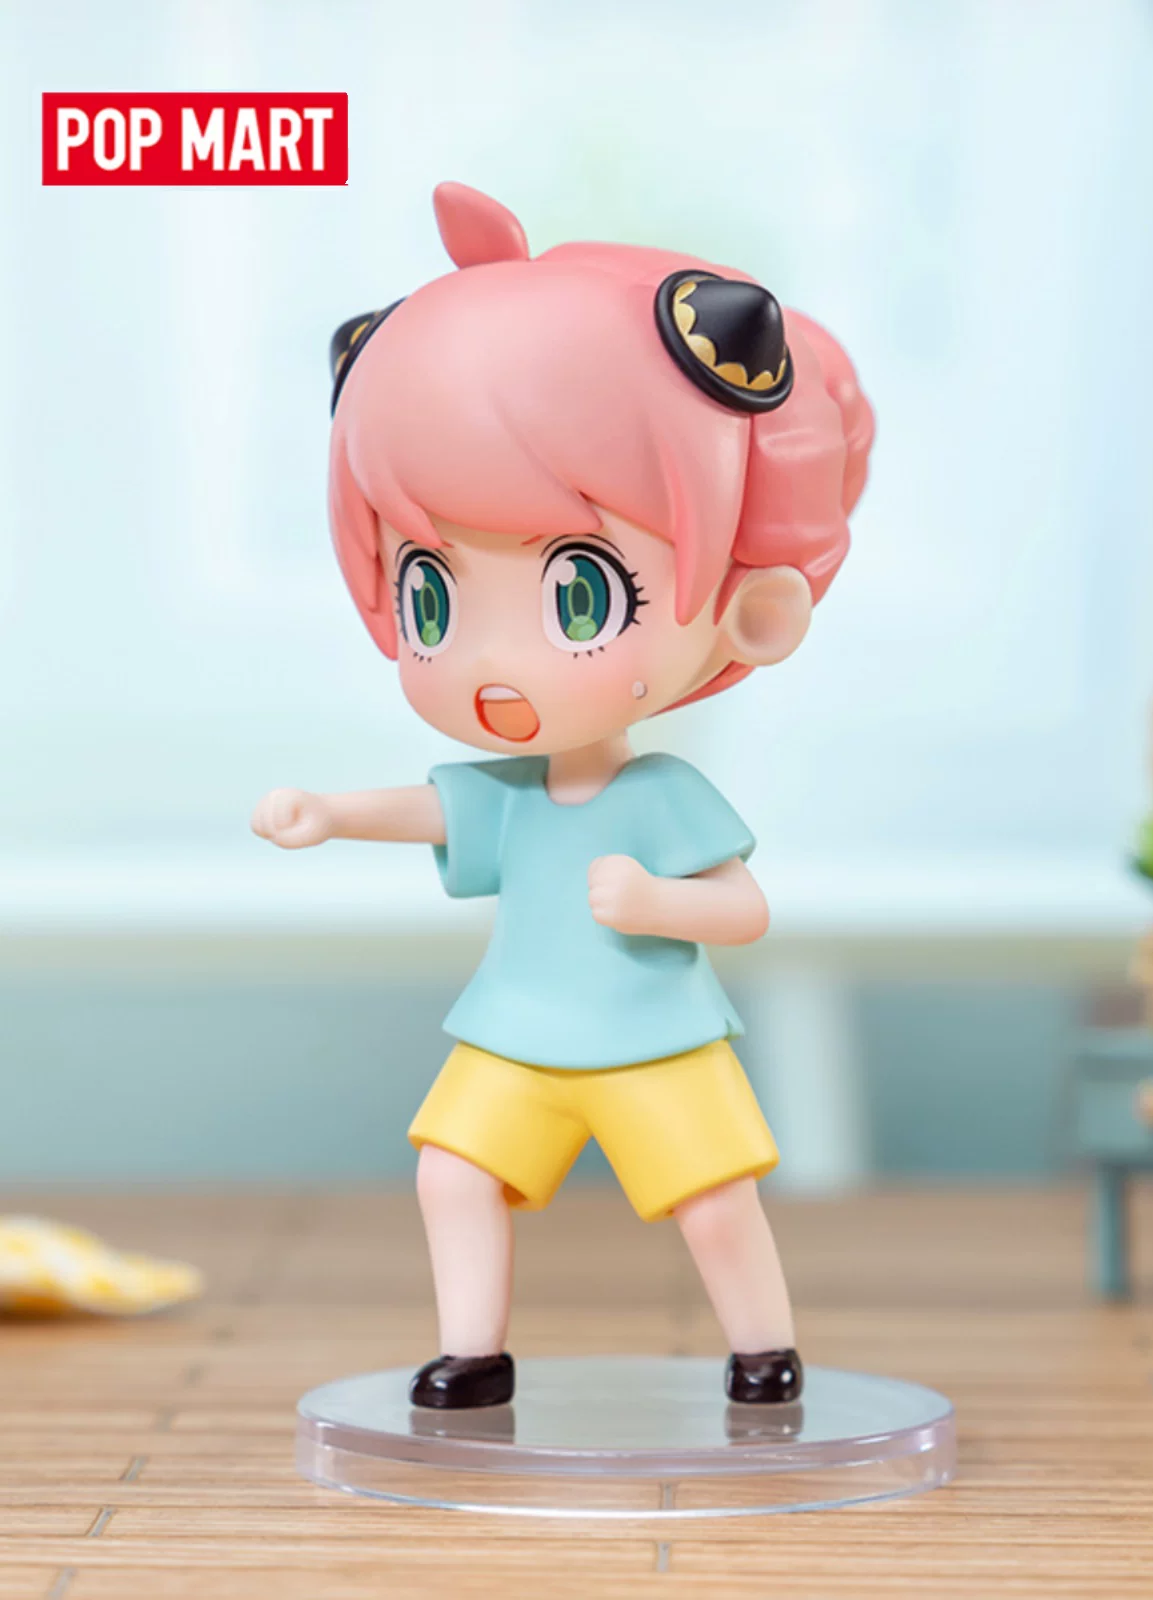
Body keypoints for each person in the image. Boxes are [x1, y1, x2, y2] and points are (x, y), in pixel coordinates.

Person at [252, 182, 874, 1409]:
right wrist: (330, 813)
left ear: (750, 611)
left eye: (577, 594)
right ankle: (472, 1353)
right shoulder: (517, 791)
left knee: (713, 1199)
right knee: (452, 1173)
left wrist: (656, 901)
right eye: (431, 594)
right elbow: (441, 811)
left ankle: (764, 1348)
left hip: (654, 1037)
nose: (491, 663)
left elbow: (742, 906)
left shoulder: (660, 793)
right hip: (518, 1031)